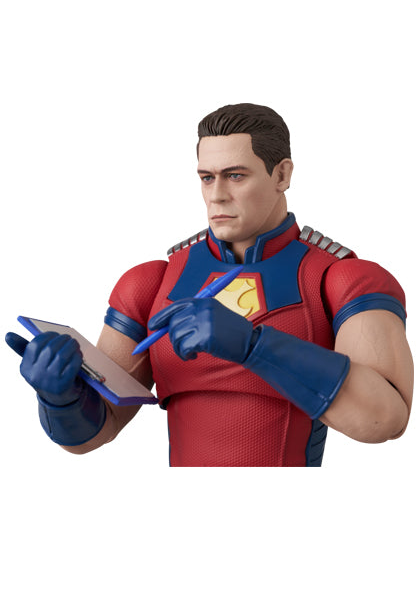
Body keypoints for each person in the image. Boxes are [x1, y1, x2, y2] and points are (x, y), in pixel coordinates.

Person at [6, 103, 414, 466]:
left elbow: (384, 420)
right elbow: (95, 432)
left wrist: (254, 346)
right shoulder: (151, 283)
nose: (216, 195)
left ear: (282, 174)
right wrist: (61, 397)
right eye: (206, 177)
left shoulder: (340, 278)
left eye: (235, 176)